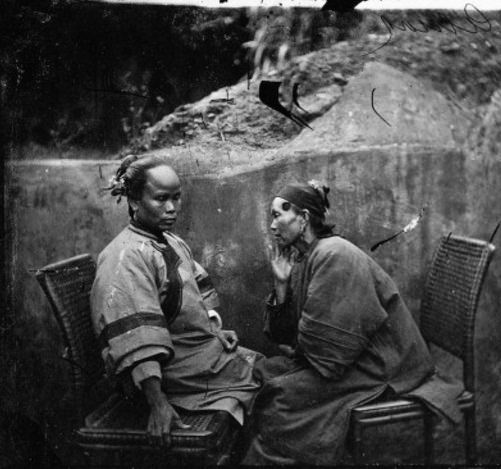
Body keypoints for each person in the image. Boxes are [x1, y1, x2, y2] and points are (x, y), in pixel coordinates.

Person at [243, 180, 463, 465]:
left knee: (281, 399)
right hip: (351, 362)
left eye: (277, 215)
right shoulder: (305, 258)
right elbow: (286, 337)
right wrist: (282, 285)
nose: (272, 226)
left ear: (304, 217)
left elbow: (328, 356)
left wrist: (298, 352)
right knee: (264, 372)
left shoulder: (334, 254)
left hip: (384, 369)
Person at [90, 155, 262, 445]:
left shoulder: (170, 241)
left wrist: (213, 330)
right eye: (160, 199)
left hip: (198, 354)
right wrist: (157, 403)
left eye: (176, 198)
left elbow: (193, 297)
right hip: (171, 374)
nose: (171, 208)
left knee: (273, 371)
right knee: (274, 381)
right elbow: (137, 337)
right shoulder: (126, 256)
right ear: (134, 201)